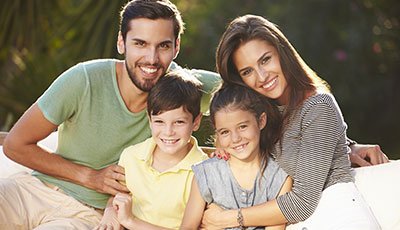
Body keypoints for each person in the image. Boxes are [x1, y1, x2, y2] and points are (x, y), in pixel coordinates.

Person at [0, 0, 219, 229]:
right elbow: (15, 144)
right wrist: (89, 177)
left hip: (87, 215)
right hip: (34, 190)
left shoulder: (185, 88)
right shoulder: (83, 80)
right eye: (140, 44)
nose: (152, 59)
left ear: (176, 47)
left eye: (163, 46)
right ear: (121, 43)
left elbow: (248, 90)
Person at [201, 14, 381, 229]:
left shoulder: (318, 106)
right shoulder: (258, 115)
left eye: (265, 59)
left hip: (336, 217)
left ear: (282, 53)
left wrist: (229, 218)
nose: (262, 76)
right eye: (247, 71)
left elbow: (303, 203)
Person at [95, 70, 208, 229]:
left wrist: (130, 221)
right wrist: (110, 212)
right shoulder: (132, 156)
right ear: (149, 120)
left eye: (179, 122)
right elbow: (118, 197)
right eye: (159, 122)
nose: (168, 131)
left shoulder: (203, 170)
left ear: (196, 122)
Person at [180, 84, 292, 230]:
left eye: (242, 127)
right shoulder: (207, 174)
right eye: (225, 132)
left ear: (261, 121)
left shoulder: (279, 177)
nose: (235, 138)